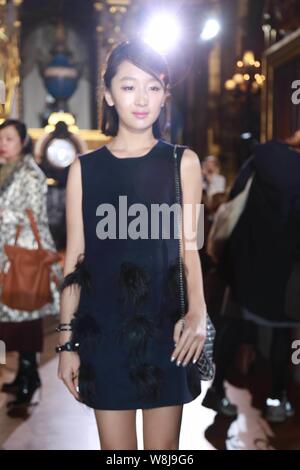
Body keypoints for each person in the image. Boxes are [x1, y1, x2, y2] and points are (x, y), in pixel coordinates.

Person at [57, 40, 207, 450]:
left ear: (164, 95)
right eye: (128, 86)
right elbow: (76, 258)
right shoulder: (83, 170)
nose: (142, 99)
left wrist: (198, 312)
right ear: (108, 94)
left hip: (166, 330)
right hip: (103, 333)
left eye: (153, 87)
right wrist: (67, 343)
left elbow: (190, 246)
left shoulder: (183, 163)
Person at [204, 131, 300, 423]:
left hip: (247, 255)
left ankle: (217, 390)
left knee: (232, 324)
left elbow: (234, 198)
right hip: (289, 262)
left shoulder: (260, 158)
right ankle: (277, 397)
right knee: (282, 331)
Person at [0, 119, 62, 417]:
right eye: (1, 138)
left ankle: (29, 377)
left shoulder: (30, 173)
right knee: (11, 317)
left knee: (24, 315)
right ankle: (22, 375)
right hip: (6, 254)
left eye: (9, 138)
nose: (3, 143)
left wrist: (3, 212)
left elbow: (34, 214)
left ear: (22, 141)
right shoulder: (4, 170)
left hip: (23, 255)